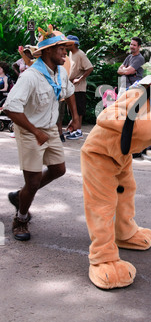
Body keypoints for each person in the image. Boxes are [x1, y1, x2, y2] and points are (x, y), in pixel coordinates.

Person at [3, 28, 80, 241]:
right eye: (62, 49)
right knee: (34, 180)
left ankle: (20, 196)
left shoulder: (60, 71)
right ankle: (20, 218)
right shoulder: (30, 76)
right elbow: (10, 108)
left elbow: (69, 92)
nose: (66, 53)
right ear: (48, 51)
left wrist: (75, 117)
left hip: (48, 129)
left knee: (59, 169)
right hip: (30, 130)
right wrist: (35, 132)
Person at [64, 35, 93, 140]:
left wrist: (80, 79)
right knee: (72, 109)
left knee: (79, 110)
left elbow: (89, 68)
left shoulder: (81, 54)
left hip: (79, 88)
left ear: (73, 43)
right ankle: (73, 129)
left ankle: (79, 131)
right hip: (71, 87)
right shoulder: (71, 53)